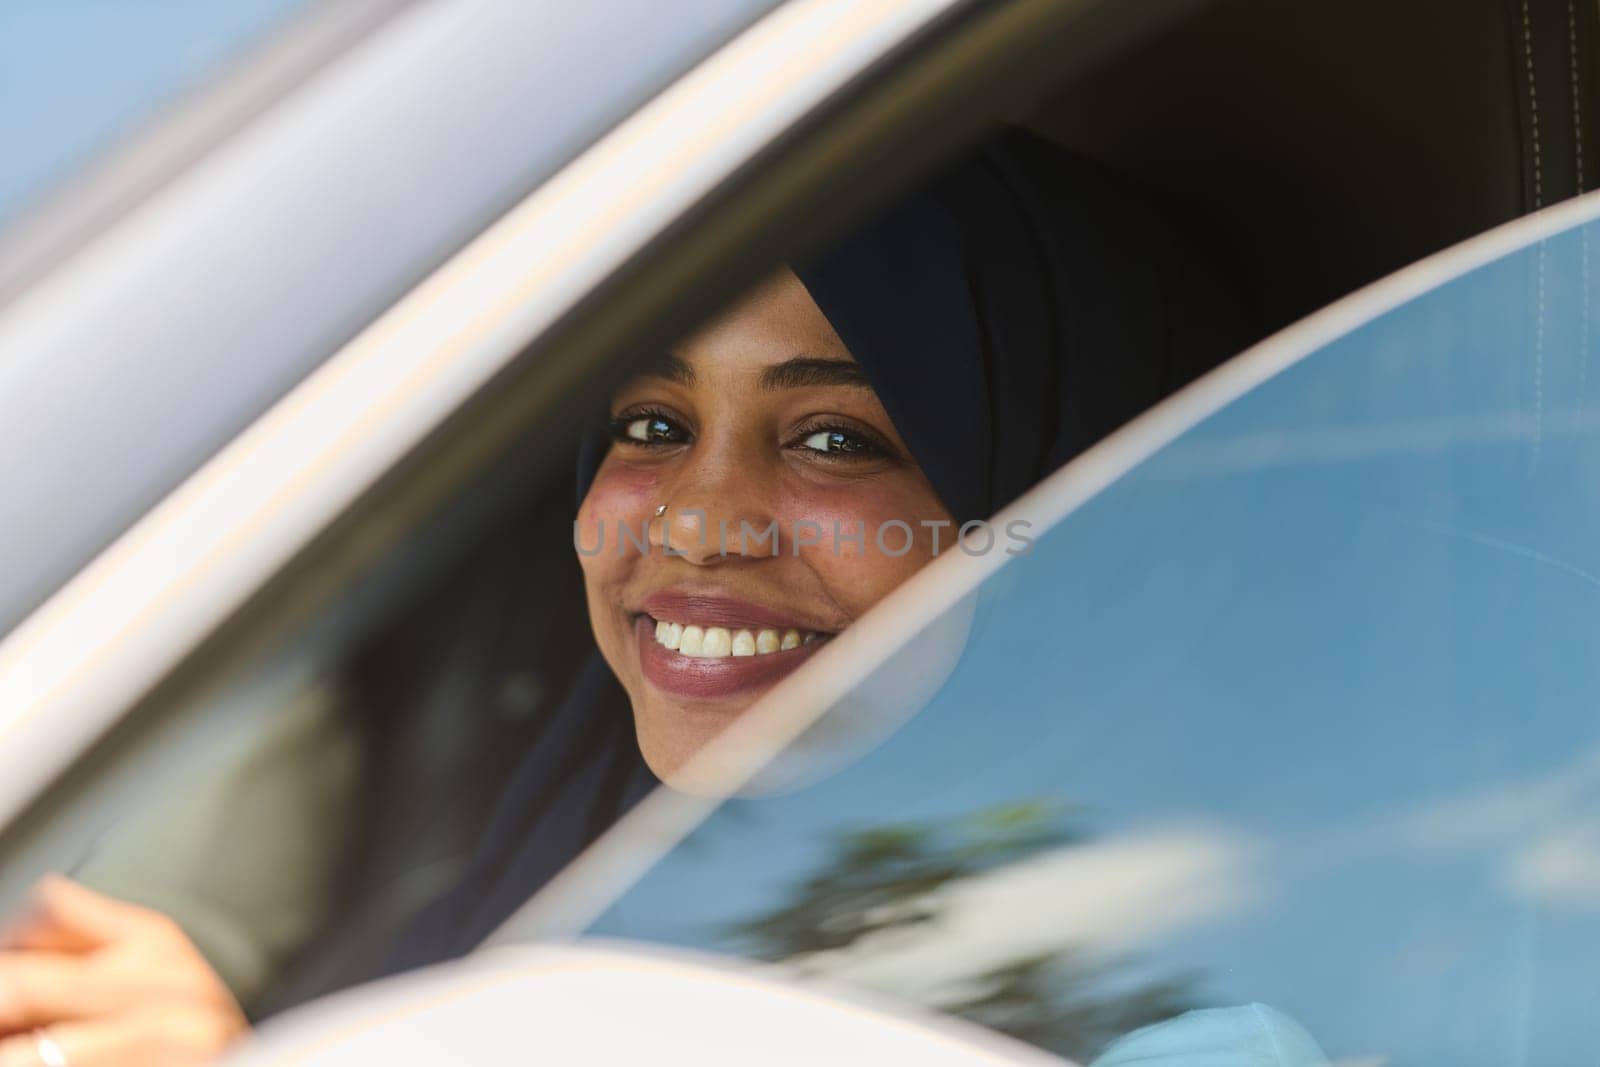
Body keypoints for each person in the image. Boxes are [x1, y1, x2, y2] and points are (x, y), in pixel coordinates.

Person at [0, 126, 1250, 1065]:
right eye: (650, 421)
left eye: (835, 437)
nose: (696, 521)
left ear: (1062, 496)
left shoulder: (1197, 1016)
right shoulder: (555, 865)